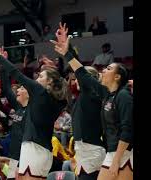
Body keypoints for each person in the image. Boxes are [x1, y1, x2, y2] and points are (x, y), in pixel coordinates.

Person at [51, 24, 133, 180]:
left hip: (123, 153)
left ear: (117, 77)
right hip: (109, 151)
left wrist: (116, 160)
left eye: (108, 68)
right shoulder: (106, 94)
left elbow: (127, 130)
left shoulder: (123, 95)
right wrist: (67, 53)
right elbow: (81, 72)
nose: (103, 70)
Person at [0, 37, 69, 180]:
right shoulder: (57, 100)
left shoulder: (40, 92)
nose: (37, 79)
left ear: (49, 81)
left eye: (41, 76)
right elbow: (60, 82)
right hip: (40, 150)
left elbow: (16, 74)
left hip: (34, 148)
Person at [51, 23, 106, 180]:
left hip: (92, 149)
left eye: (77, 78)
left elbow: (80, 70)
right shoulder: (81, 96)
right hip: (82, 150)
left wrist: (69, 51)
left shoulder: (92, 93)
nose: (75, 80)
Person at [0, 47, 29, 180]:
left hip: (26, 155)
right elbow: (6, 87)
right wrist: (3, 63)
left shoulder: (33, 109)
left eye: (22, 88)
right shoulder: (17, 106)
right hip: (13, 154)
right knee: (11, 178)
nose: (17, 90)